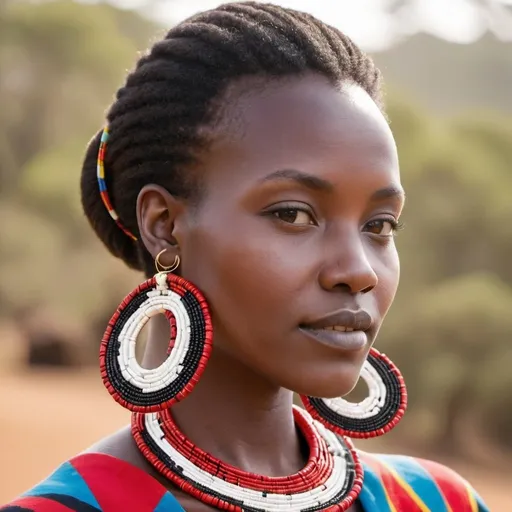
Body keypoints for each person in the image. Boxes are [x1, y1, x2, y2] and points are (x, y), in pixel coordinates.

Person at [3, 2, 489, 511]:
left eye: (379, 226)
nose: (359, 270)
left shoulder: (436, 501)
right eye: (294, 215)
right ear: (164, 226)